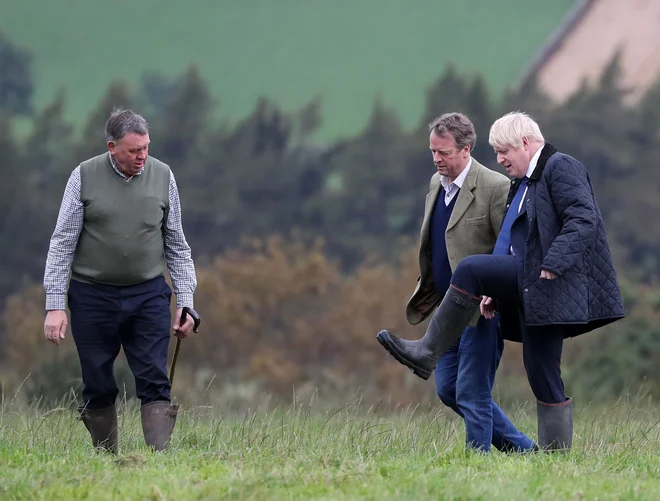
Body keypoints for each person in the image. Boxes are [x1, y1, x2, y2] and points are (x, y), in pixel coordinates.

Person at [377, 111, 625, 452]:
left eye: (503, 151)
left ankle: (426, 349)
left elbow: (584, 219)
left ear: (525, 143)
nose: (499, 159)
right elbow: (509, 241)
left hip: (548, 280)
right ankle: (553, 459)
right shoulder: (524, 183)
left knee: (471, 268)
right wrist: (494, 291)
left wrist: (554, 261)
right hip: (532, 289)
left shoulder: (560, 166)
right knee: (542, 373)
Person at [377, 112, 536, 453]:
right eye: (433, 152)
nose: (437, 159)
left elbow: (509, 244)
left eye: (444, 153)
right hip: (445, 310)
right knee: (449, 389)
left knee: (472, 392)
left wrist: (493, 293)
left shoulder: (495, 186)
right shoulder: (436, 185)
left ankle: (475, 464)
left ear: (465, 150)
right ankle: (523, 449)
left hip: (482, 311)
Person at [42, 108, 198, 454]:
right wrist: (55, 305)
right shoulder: (83, 176)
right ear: (112, 147)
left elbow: (177, 244)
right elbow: (62, 242)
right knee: (97, 381)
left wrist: (186, 301)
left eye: (146, 148)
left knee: (154, 378)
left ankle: (159, 457)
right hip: (92, 296)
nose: (142, 157)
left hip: (148, 295)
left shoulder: (163, 176)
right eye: (133, 150)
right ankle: (106, 457)